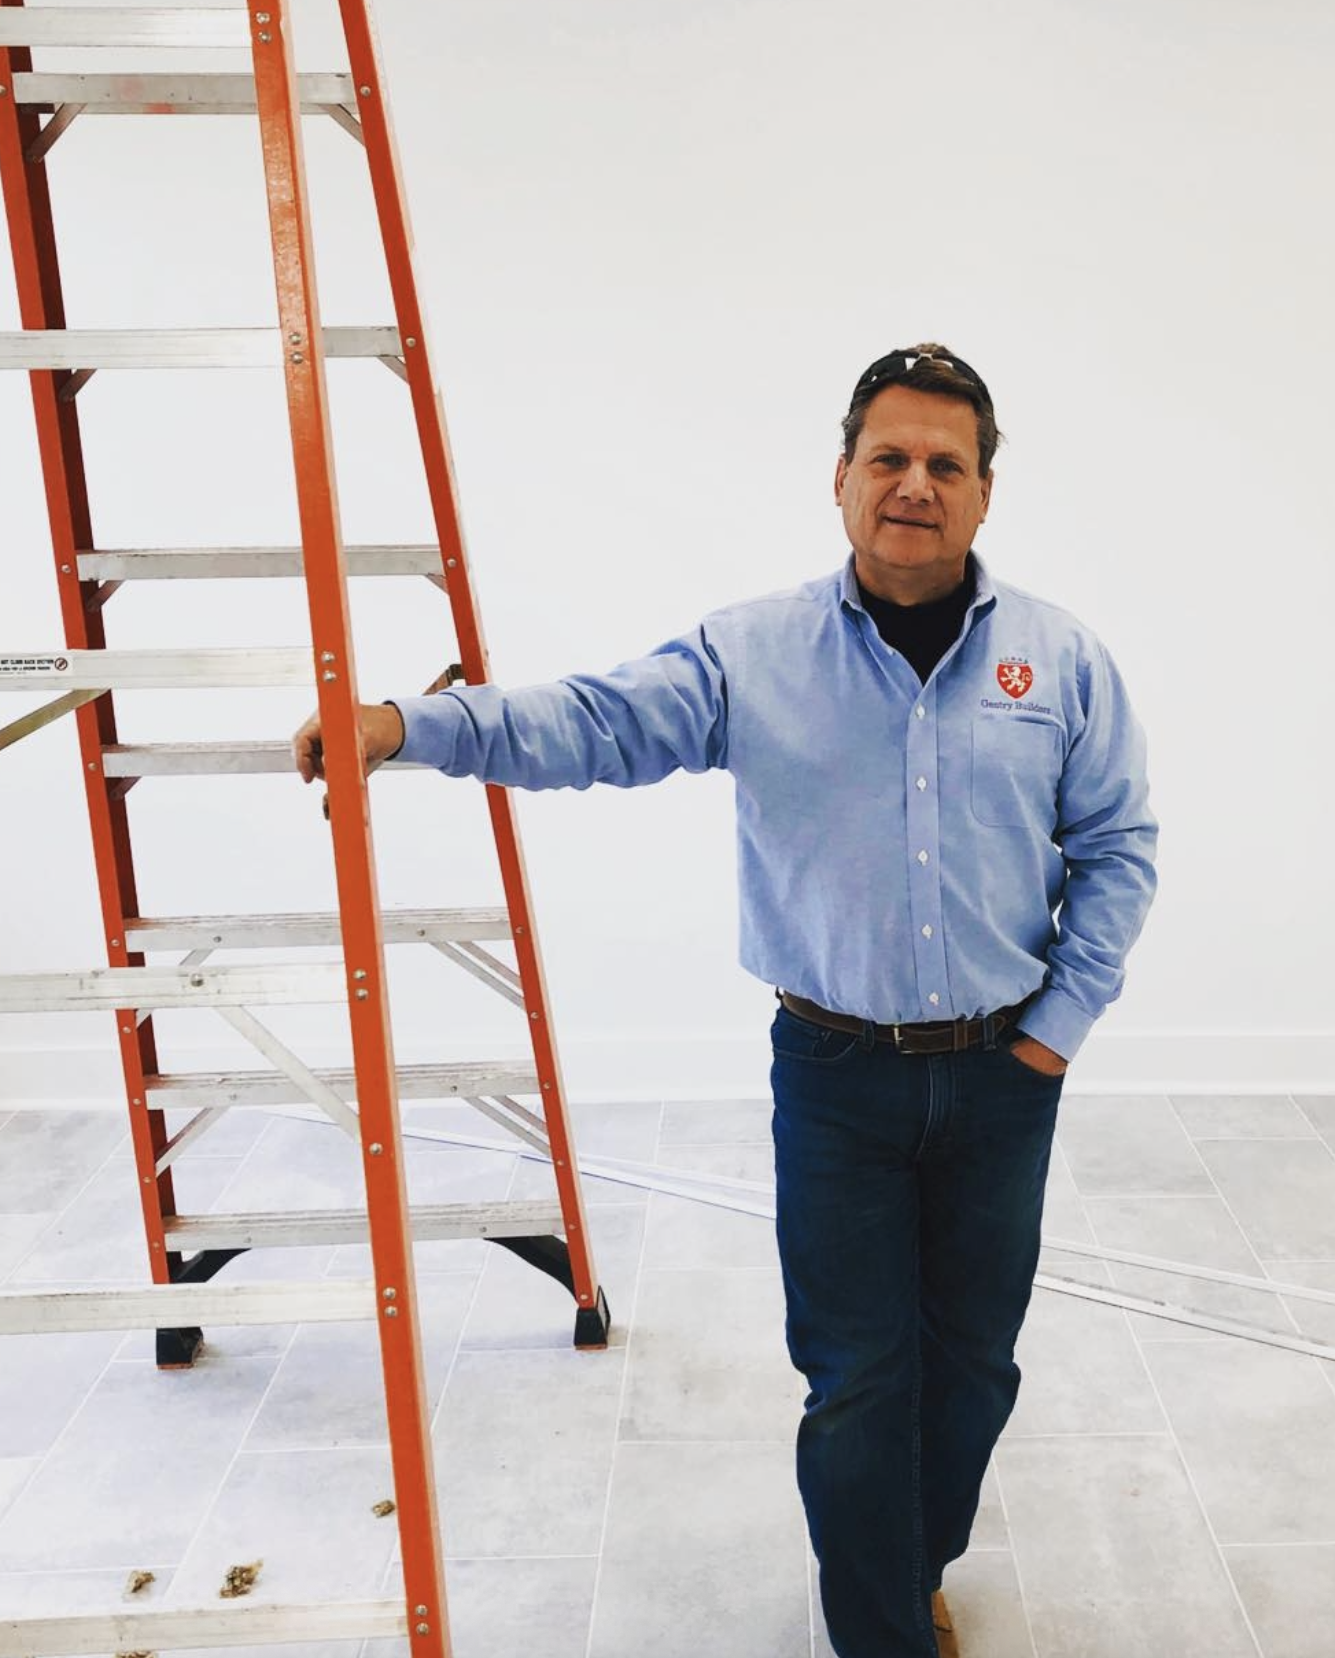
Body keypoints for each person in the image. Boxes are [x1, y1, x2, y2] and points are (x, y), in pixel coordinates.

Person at [291, 344, 1158, 1658]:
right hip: (835, 1078)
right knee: (857, 1377)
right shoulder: (753, 651)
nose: (914, 484)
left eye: (945, 464)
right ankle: (881, 1632)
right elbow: (595, 722)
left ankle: (910, 1565)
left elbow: (1117, 845)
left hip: (1001, 1076)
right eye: (888, 457)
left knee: (973, 1368)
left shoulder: (1060, 658)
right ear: (840, 476)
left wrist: (1053, 1033)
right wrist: (408, 726)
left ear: (985, 492)